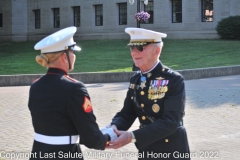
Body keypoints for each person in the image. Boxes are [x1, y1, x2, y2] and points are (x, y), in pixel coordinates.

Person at [28, 26, 117, 160]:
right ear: (65, 57)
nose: (74, 56)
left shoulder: (35, 85)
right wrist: (108, 137)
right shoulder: (74, 88)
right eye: (72, 52)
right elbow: (91, 137)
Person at [106, 28, 190, 160]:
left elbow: (170, 122)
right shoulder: (136, 79)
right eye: (132, 48)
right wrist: (111, 130)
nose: (134, 52)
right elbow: (127, 113)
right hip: (147, 147)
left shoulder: (173, 79)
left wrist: (132, 136)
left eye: (140, 47)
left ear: (157, 51)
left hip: (171, 149)